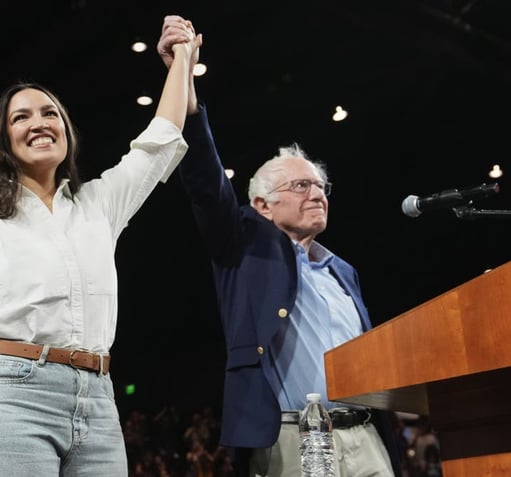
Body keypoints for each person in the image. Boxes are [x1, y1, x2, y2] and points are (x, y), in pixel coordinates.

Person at [0, 19, 203, 477]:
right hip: (10, 399)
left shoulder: (98, 204)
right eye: (22, 117)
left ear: (67, 131)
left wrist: (181, 60)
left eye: (50, 113)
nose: (39, 123)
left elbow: (158, 143)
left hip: (97, 401)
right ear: (3, 140)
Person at [156, 15, 402, 477]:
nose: (318, 194)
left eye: (321, 185)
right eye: (302, 185)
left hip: (366, 436)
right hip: (296, 439)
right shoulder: (242, 247)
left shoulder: (341, 270)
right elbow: (206, 180)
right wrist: (182, 75)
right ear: (262, 205)